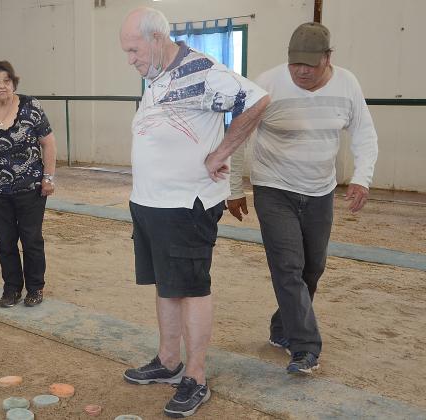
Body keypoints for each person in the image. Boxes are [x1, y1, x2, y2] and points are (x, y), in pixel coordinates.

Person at [119, 7, 269, 418]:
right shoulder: (156, 75)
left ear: (155, 38)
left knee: (191, 288)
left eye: (133, 50)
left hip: (187, 204)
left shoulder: (201, 69)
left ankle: (196, 377)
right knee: (167, 285)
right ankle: (169, 362)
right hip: (151, 202)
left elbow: (256, 100)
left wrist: (221, 152)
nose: (129, 59)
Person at [227, 22, 379, 375]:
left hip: (320, 191)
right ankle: (305, 348)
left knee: (313, 269)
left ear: (328, 59)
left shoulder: (348, 84)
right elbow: (239, 135)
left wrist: (362, 178)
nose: (302, 71)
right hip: (273, 188)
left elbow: (364, 133)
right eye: (296, 63)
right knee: (288, 267)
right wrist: (233, 188)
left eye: (310, 64)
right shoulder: (267, 84)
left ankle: (283, 329)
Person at [0, 60, 57, 308]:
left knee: (31, 240)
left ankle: (35, 288)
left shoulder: (31, 107)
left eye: (6, 81)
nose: (2, 86)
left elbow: (48, 143)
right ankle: (11, 289)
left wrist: (48, 178)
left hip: (30, 188)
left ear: (13, 83)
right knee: (5, 242)